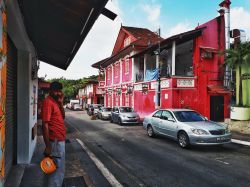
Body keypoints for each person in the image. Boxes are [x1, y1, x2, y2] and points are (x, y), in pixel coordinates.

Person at [41, 81, 66, 187]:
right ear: (50, 91)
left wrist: (61, 103)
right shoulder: (48, 102)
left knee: (59, 169)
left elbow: (63, 117)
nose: (58, 93)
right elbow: (45, 125)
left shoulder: (56, 102)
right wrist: (48, 146)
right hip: (55, 141)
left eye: (59, 91)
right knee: (56, 170)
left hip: (59, 140)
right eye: (56, 91)